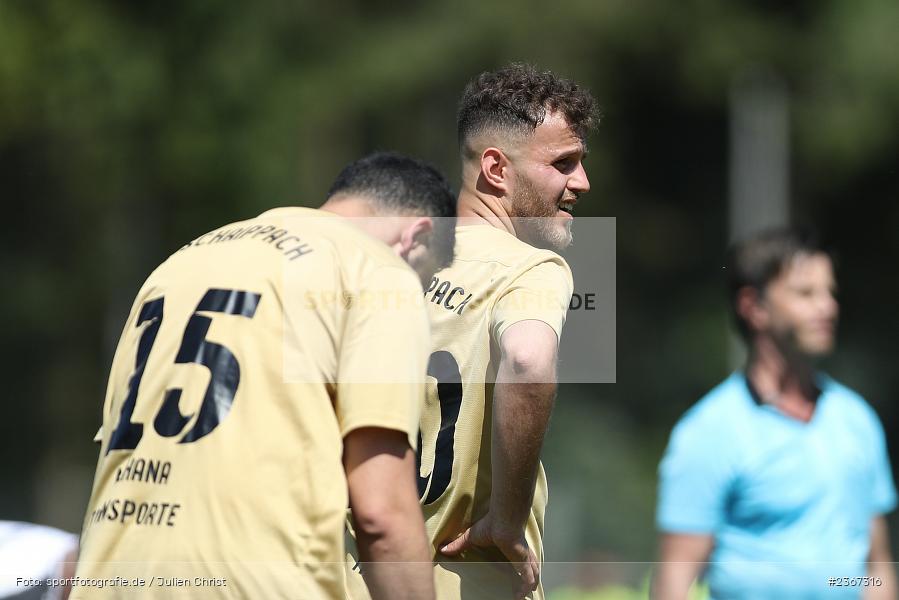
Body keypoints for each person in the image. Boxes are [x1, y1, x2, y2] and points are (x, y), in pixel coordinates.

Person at [73, 152, 457, 600]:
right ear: (418, 237)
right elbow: (382, 511)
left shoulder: (177, 265)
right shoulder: (377, 272)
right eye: (425, 279)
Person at [345, 63, 599, 600]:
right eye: (563, 163)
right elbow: (528, 360)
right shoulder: (529, 268)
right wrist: (505, 522)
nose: (582, 182)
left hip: (357, 579)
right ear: (496, 168)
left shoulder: (383, 264)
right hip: (466, 577)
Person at [653, 227, 897, 600]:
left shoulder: (857, 419)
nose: (828, 307)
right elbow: (675, 580)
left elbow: (875, 569)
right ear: (754, 307)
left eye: (830, 292)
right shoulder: (708, 431)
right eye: (806, 293)